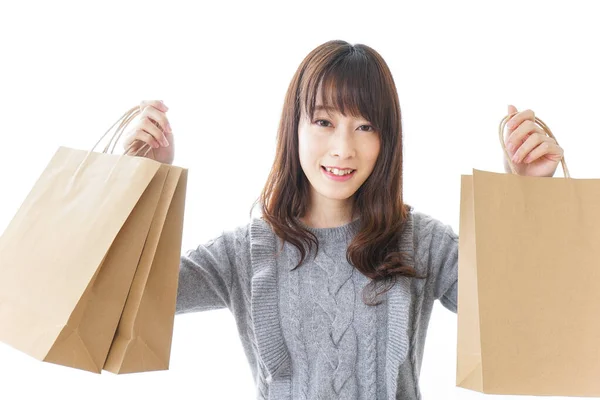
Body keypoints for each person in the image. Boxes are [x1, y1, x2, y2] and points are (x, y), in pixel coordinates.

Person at [122, 40, 564, 400]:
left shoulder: (422, 242)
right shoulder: (245, 252)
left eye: (365, 126)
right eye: (323, 121)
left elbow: (522, 316)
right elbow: (128, 298)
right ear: (293, 128)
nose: (342, 148)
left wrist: (526, 192)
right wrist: (142, 179)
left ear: (386, 139)